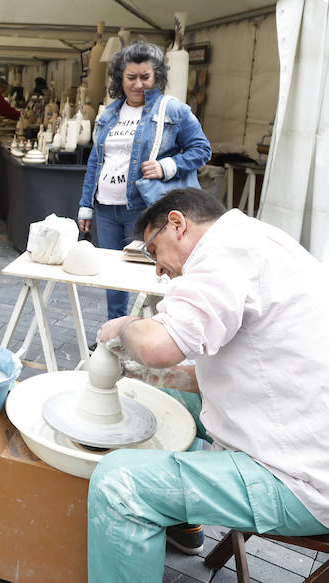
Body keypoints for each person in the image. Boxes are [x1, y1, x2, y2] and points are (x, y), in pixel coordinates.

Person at [87, 188, 329, 583]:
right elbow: (233, 371)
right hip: (297, 428)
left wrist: (124, 327)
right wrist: (148, 380)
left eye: (153, 250)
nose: (158, 269)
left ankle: (149, 506)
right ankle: (180, 522)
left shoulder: (225, 253)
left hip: (301, 478)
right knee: (152, 397)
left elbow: (157, 345)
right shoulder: (256, 241)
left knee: (120, 484)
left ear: (177, 224)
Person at [77, 41, 210, 320]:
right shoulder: (109, 113)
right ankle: (114, 333)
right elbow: (95, 161)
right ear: (120, 79)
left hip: (146, 207)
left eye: (145, 77)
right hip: (106, 208)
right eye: (131, 77)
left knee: (158, 271)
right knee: (113, 275)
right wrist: (85, 205)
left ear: (157, 77)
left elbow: (201, 149)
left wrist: (167, 166)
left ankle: (160, 330)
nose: (138, 84)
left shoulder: (173, 110)